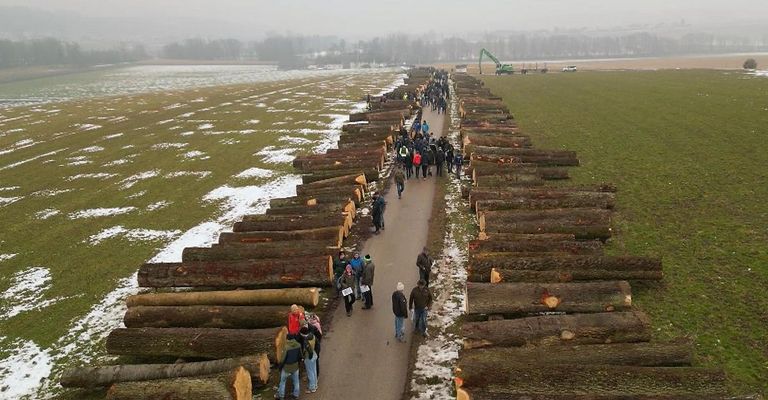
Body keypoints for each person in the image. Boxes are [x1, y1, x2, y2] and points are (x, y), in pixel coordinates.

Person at [276, 333, 304, 399]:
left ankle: (281, 396)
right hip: (295, 367)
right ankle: (296, 395)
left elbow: (283, 359)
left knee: (282, 382)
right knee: (296, 381)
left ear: (287, 339)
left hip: (286, 368)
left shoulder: (286, 347)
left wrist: (280, 367)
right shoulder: (298, 345)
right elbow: (300, 356)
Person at [300, 325, 318, 394]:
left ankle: (312, 388)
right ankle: (315, 385)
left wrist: (306, 357)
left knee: (310, 372)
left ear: (303, 333)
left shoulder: (306, 340)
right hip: (314, 355)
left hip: (309, 357)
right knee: (314, 370)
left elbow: (308, 351)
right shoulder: (312, 336)